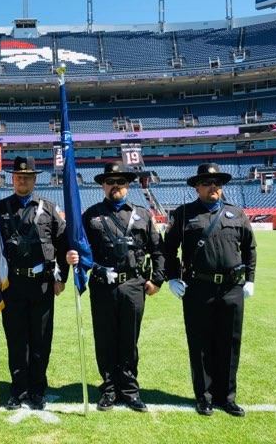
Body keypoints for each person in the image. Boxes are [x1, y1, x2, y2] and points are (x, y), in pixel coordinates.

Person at [66, 162, 165, 412]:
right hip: (103, 286)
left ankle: (130, 390)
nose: (115, 186)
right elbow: (80, 247)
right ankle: (109, 389)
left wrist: (158, 279)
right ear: (103, 185)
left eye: (120, 182)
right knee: (106, 339)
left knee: (129, 339)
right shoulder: (91, 215)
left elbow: (158, 249)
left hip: (134, 286)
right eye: (110, 182)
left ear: (127, 185)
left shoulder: (143, 214)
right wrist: (74, 257)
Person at [164, 162, 257, 417]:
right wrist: (172, 277)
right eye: (206, 183)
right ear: (197, 187)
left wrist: (250, 279)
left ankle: (227, 397)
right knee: (200, 344)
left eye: (216, 183)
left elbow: (250, 248)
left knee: (230, 343)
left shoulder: (237, 214)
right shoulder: (183, 214)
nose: (212, 187)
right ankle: (203, 398)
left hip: (232, 288)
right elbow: (168, 249)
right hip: (198, 288)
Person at [0, 156, 69, 411]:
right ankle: (18, 389)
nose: (23, 180)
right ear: (13, 179)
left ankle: (37, 390)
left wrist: (61, 276)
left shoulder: (50, 209)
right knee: (17, 340)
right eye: (19, 176)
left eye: (28, 177)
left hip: (42, 285)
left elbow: (64, 244)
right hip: (12, 284)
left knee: (41, 340)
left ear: (34, 179)